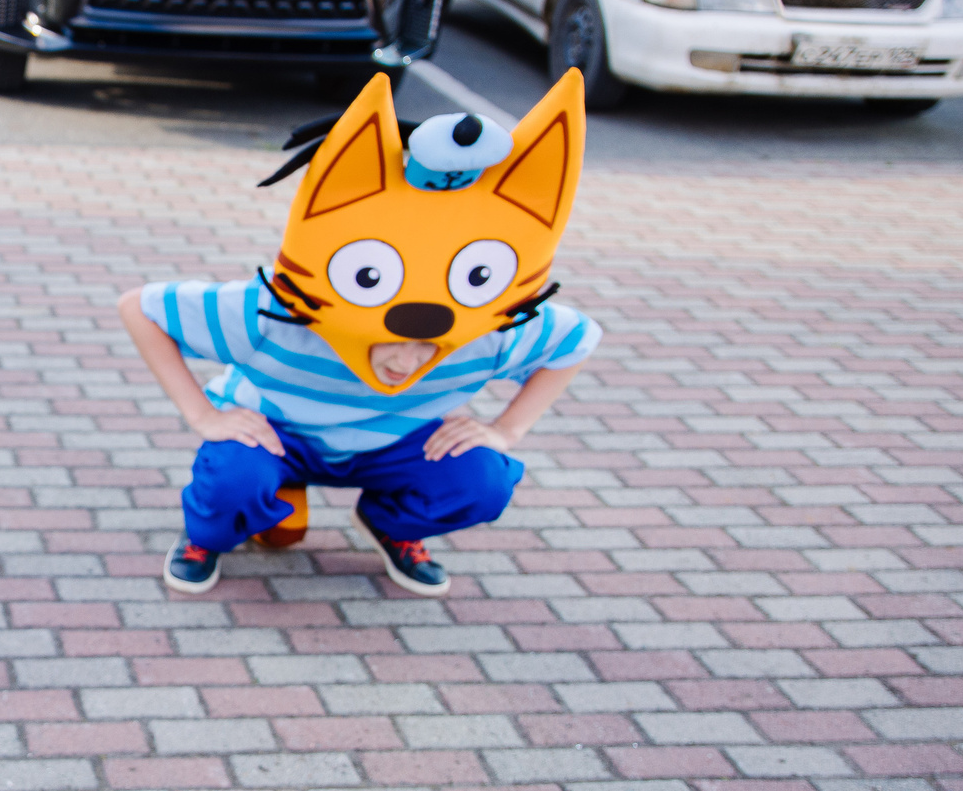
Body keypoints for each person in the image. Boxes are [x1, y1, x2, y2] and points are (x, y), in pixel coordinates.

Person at [117, 70, 603, 599]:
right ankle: (208, 537)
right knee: (235, 474)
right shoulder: (280, 313)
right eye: (392, 343)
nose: (405, 362)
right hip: (279, 433)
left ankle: (392, 525)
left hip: (397, 442)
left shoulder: (491, 331)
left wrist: (506, 431)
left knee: (484, 480)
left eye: (428, 349)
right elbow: (141, 309)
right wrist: (202, 414)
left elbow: (576, 342)